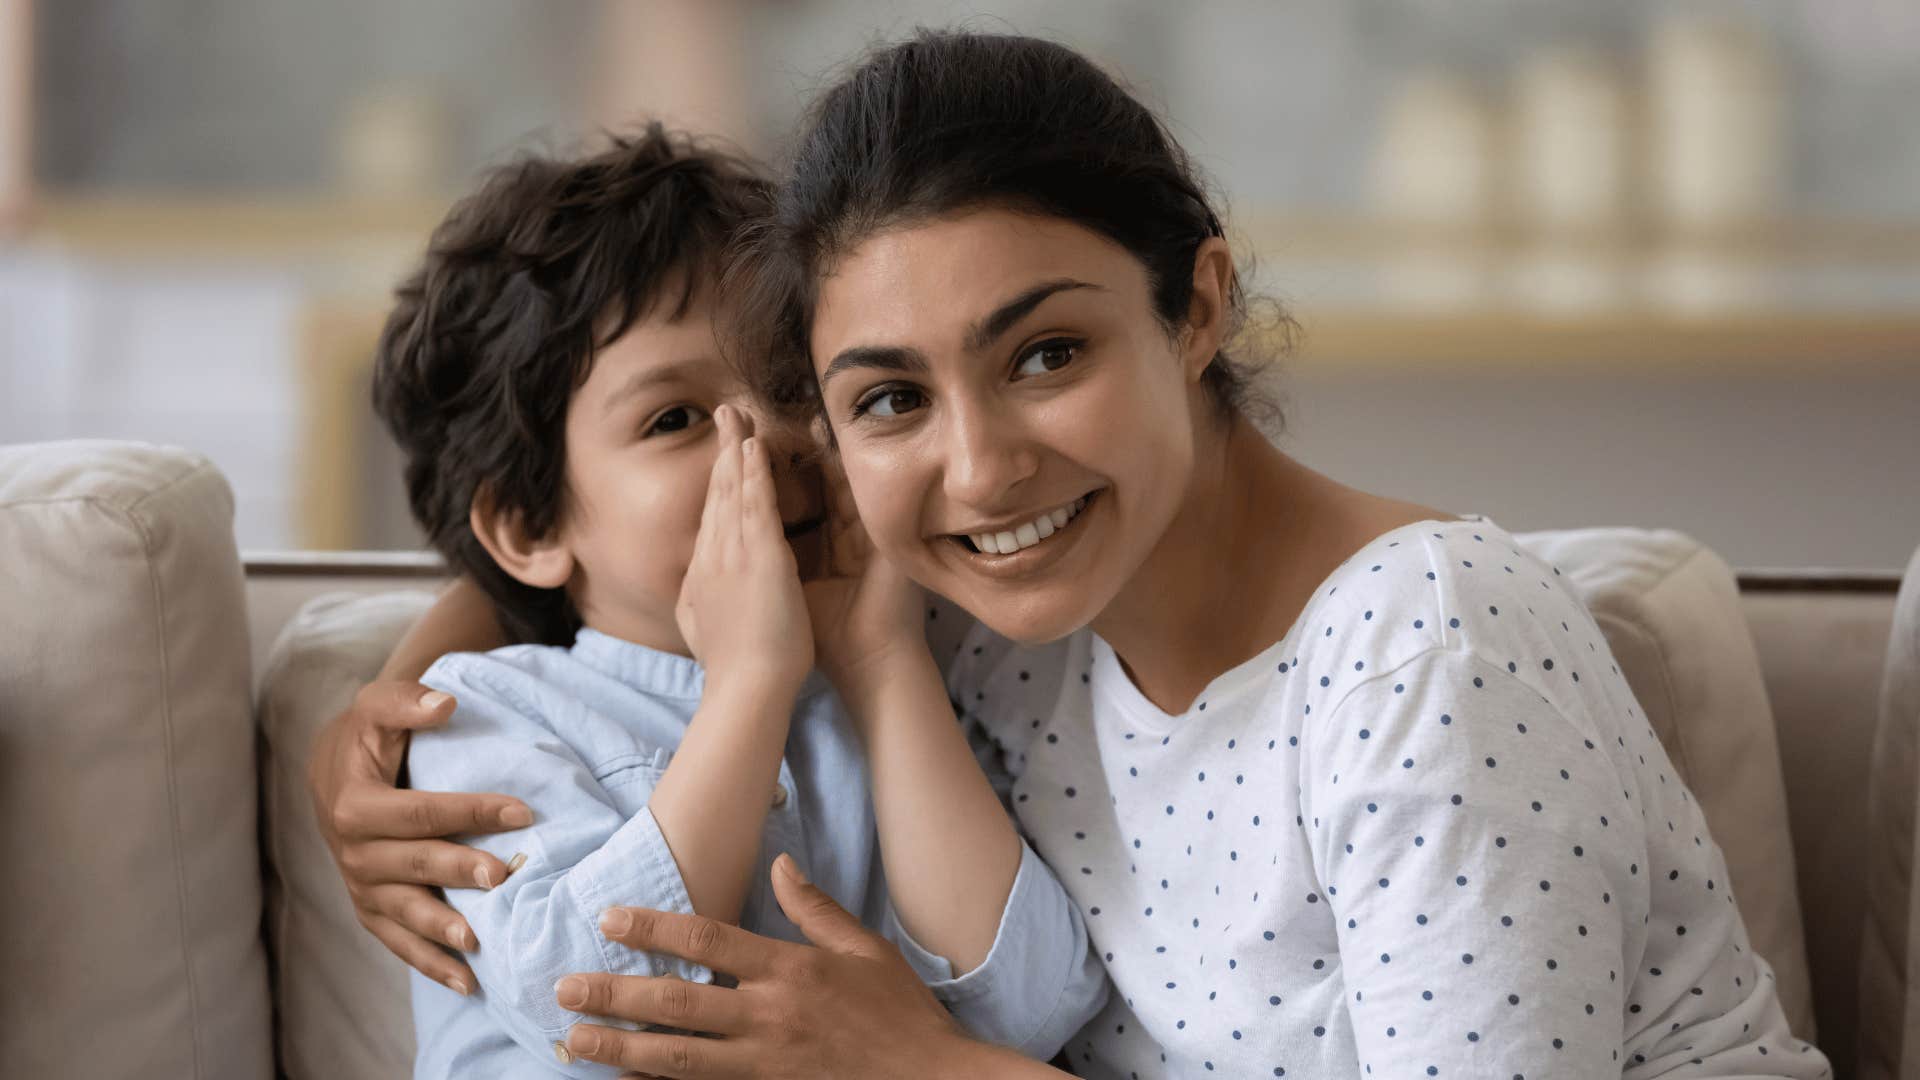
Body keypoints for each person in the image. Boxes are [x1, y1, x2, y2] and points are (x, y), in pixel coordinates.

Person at [312, 33, 1831, 1079]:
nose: (980, 466)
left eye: (1045, 353)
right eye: (890, 397)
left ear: (1197, 306)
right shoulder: (1001, 628)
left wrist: (919, 1067)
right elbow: (637, 586)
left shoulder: (1433, 646)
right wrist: (414, 679)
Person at [353, 123, 1106, 1078]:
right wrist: (747, 683)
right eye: (673, 419)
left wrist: (882, 666)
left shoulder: (907, 679)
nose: (765, 437)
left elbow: (1030, 1011)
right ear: (530, 530)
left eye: (789, 384)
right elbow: (586, 1007)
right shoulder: (489, 714)